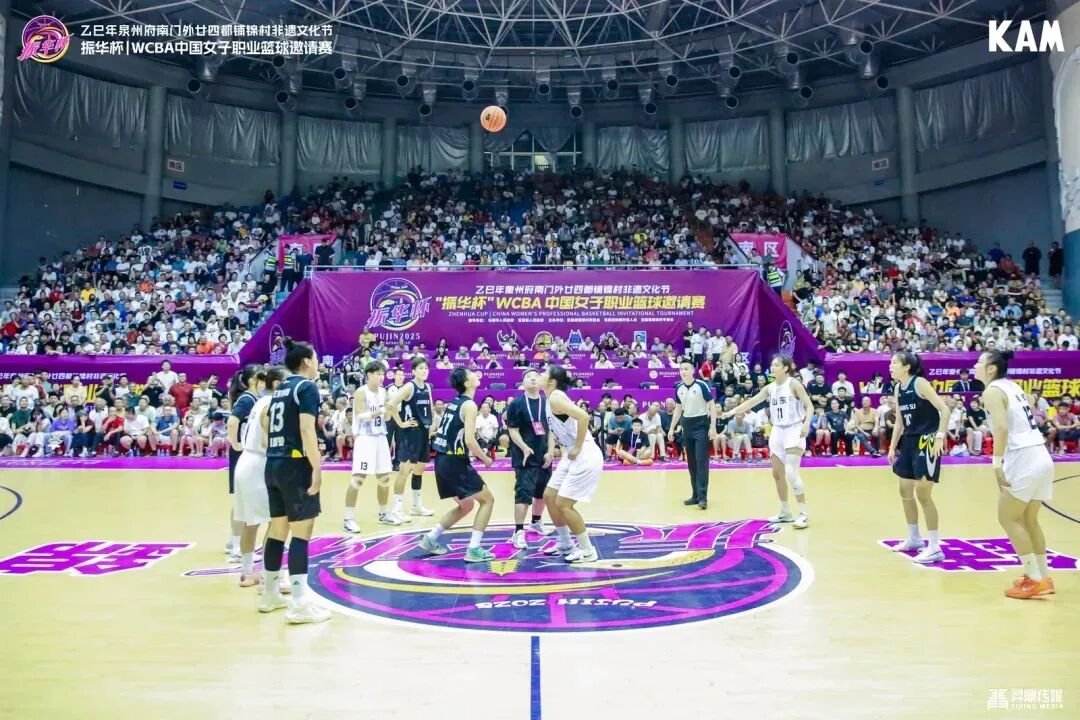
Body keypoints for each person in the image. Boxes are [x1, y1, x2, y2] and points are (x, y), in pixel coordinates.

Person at [259, 339, 330, 624]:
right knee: (301, 533)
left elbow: (267, 422)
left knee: (277, 530)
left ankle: (270, 594)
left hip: (273, 462)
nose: (318, 362)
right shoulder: (306, 387)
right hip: (294, 464)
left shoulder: (280, 388)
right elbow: (306, 429)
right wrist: (317, 467)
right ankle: (299, 604)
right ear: (307, 361)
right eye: (316, 357)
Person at [975, 350, 1056, 598]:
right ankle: (1043, 577)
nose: (975, 365)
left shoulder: (991, 391)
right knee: (1029, 520)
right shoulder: (1012, 386)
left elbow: (1001, 428)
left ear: (991, 369)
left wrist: (996, 463)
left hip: (1023, 457)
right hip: (1041, 455)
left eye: (979, 362)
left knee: (1008, 517)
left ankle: (1034, 578)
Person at [722, 355, 814, 528]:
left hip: (794, 429)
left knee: (791, 472)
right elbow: (751, 402)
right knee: (777, 474)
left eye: (776, 365)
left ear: (785, 368)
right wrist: (730, 412)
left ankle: (803, 514)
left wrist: (807, 423)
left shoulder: (793, 384)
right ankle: (785, 512)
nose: (773, 367)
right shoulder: (770, 388)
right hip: (777, 430)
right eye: (772, 364)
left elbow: (809, 406)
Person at [419, 367, 497, 563]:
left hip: (442, 460)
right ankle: (474, 549)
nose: (476, 374)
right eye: (471, 374)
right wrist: (485, 458)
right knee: (488, 500)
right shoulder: (469, 405)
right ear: (467, 383)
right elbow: (470, 440)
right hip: (454, 461)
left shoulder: (455, 401)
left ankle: (431, 538)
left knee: (466, 505)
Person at [887, 351, 951, 565]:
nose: (890, 366)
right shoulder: (898, 388)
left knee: (923, 494)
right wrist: (892, 447)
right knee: (904, 490)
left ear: (907, 367)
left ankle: (934, 547)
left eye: (894, 362)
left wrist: (940, 437)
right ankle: (914, 538)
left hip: (927, 440)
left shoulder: (920, 383)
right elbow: (900, 421)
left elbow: (945, 410)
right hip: (909, 441)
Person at [538, 365, 605, 563]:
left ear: (552, 381)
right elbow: (555, 429)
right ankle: (566, 543)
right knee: (550, 496)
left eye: (544, 373)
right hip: (571, 453)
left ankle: (587, 550)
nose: (540, 374)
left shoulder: (555, 397)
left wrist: (576, 446)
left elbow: (584, 416)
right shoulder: (551, 398)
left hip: (584, 453)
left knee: (563, 504)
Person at [234, 368, 290, 589]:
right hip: (259, 464)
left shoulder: (260, 401)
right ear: (276, 384)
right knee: (275, 521)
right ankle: (270, 575)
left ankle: (248, 572)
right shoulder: (271, 405)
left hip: (246, 462)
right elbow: (268, 441)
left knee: (251, 523)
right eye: (287, 382)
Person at [504, 369, 555, 549]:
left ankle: (536, 522)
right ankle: (518, 531)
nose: (533, 378)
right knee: (523, 495)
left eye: (536, 376)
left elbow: (551, 430)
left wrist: (551, 451)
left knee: (542, 492)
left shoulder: (548, 402)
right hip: (524, 457)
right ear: (523, 383)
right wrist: (524, 447)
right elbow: (513, 430)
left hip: (544, 456)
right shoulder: (516, 404)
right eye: (528, 377)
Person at [344, 361, 397, 532]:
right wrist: (381, 410)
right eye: (378, 374)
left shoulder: (383, 392)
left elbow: (387, 418)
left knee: (384, 478)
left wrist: (390, 409)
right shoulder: (361, 392)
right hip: (365, 438)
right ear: (369, 375)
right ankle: (348, 519)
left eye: (383, 374)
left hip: (381, 437)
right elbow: (360, 415)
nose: (382, 377)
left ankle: (384, 513)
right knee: (358, 479)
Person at [386, 357, 435, 520]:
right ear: (413, 371)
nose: (424, 371)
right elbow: (391, 404)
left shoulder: (427, 387)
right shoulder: (409, 386)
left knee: (419, 470)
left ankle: (416, 506)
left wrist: (431, 425)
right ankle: (397, 508)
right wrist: (401, 423)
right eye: (421, 368)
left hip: (423, 432)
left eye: (426, 368)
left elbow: (430, 408)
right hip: (410, 433)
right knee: (404, 470)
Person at [226, 365, 264, 563]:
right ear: (252, 380)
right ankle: (236, 546)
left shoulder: (253, 399)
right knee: (243, 500)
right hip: (242, 453)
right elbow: (233, 422)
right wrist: (236, 444)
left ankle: (234, 541)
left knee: (244, 500)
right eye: (261, 377)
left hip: (246, 453)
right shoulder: (247, 399)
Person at [668, 360, 716, 510]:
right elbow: (678, 409)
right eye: (681, 369)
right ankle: (695, 495)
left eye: (686, 369)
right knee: (692, 463)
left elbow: (712, 405)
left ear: (692, 370)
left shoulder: (701, 385)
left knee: (701, 461)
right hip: (687, 425)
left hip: (701, 425)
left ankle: (703, 497)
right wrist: (671, 428)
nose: (683, 372)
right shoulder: (679, 388)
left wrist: (712, 426)